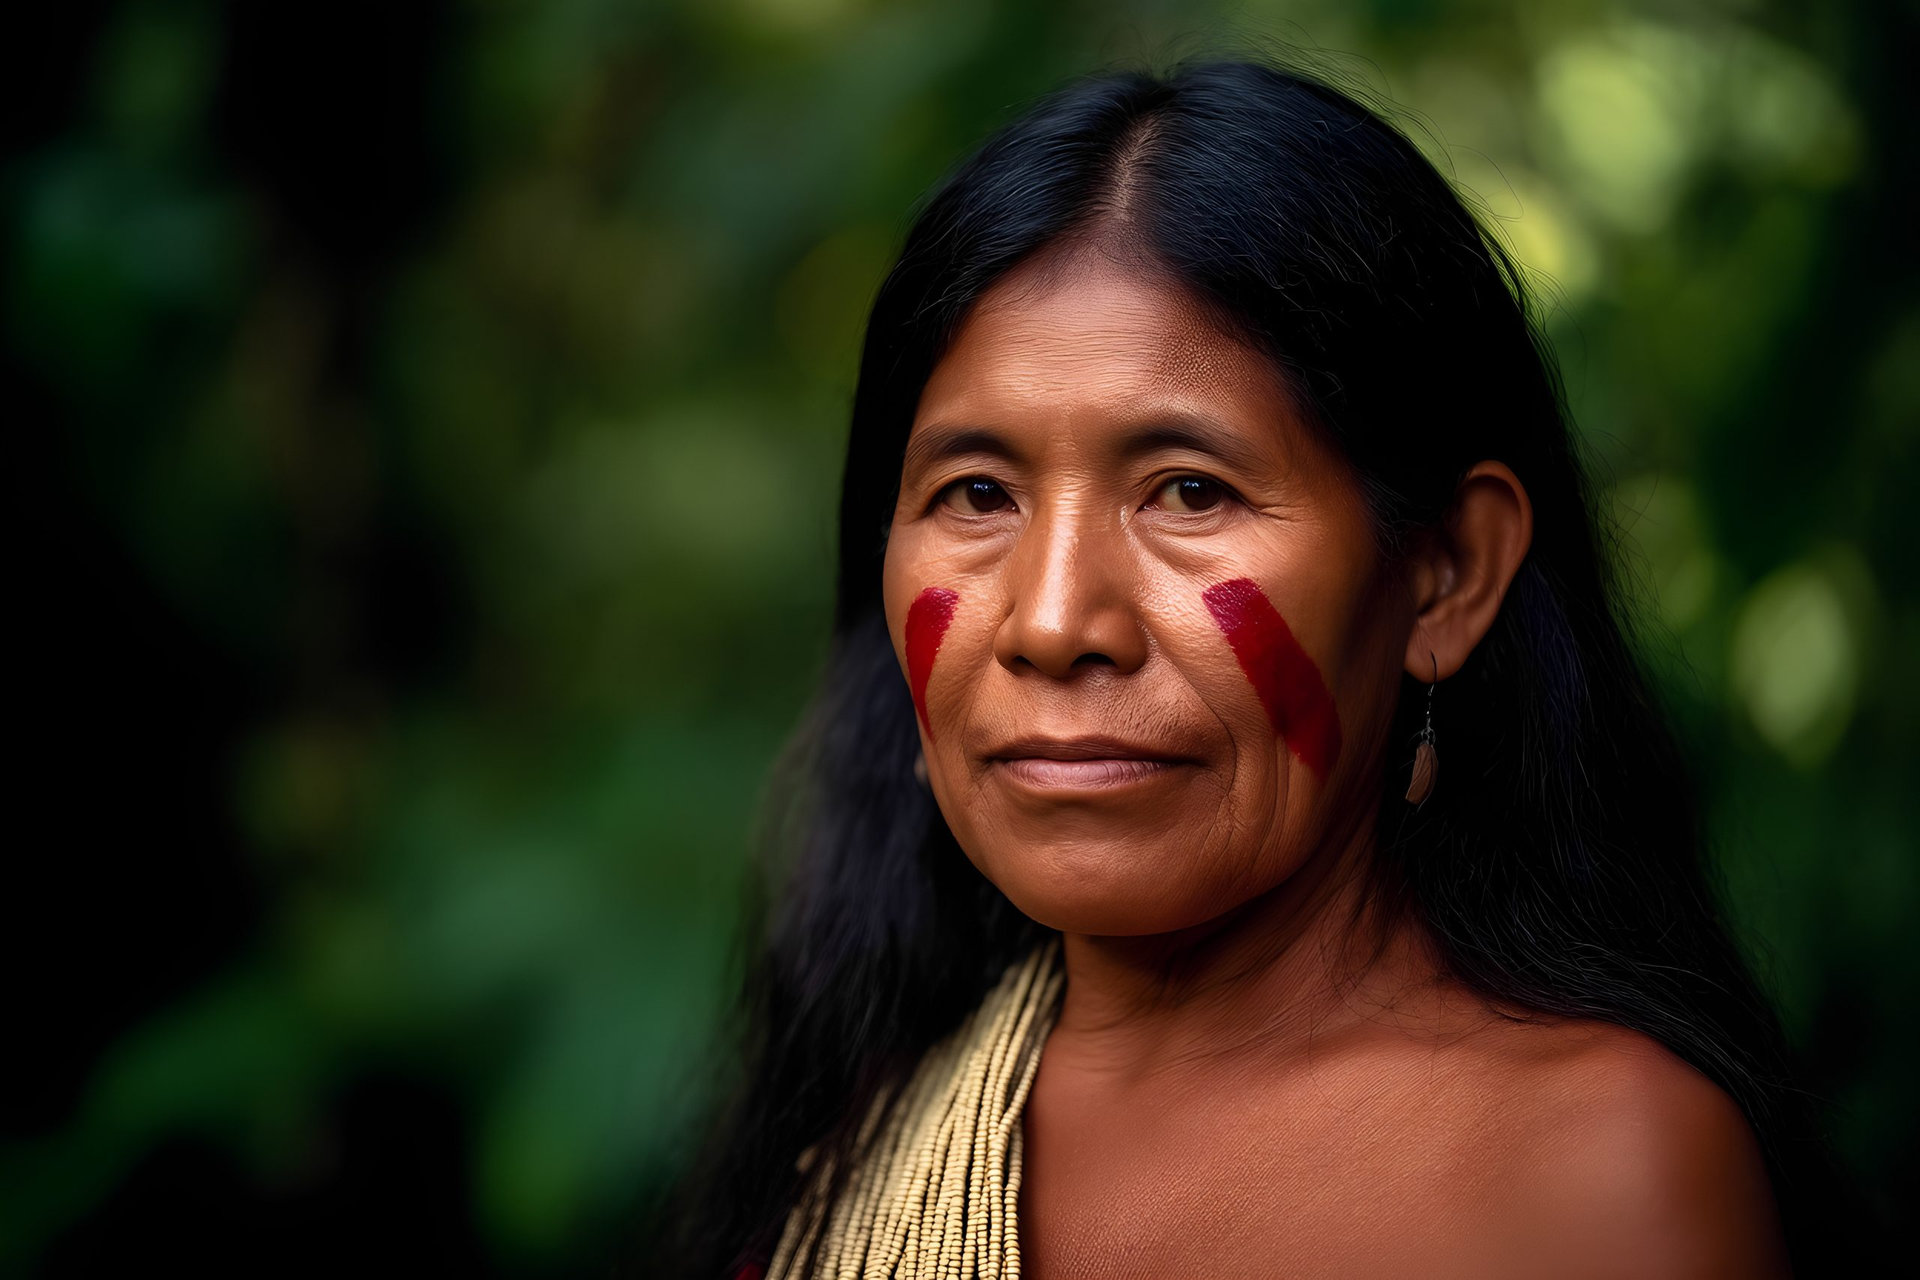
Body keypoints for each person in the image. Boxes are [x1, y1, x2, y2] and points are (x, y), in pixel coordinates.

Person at [648, 56, 1859, 1279]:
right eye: (976, 493)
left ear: (1444, 573)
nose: (1055, 619)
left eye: (1189, 489)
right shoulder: (849, 1149)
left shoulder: (1595, 1177)